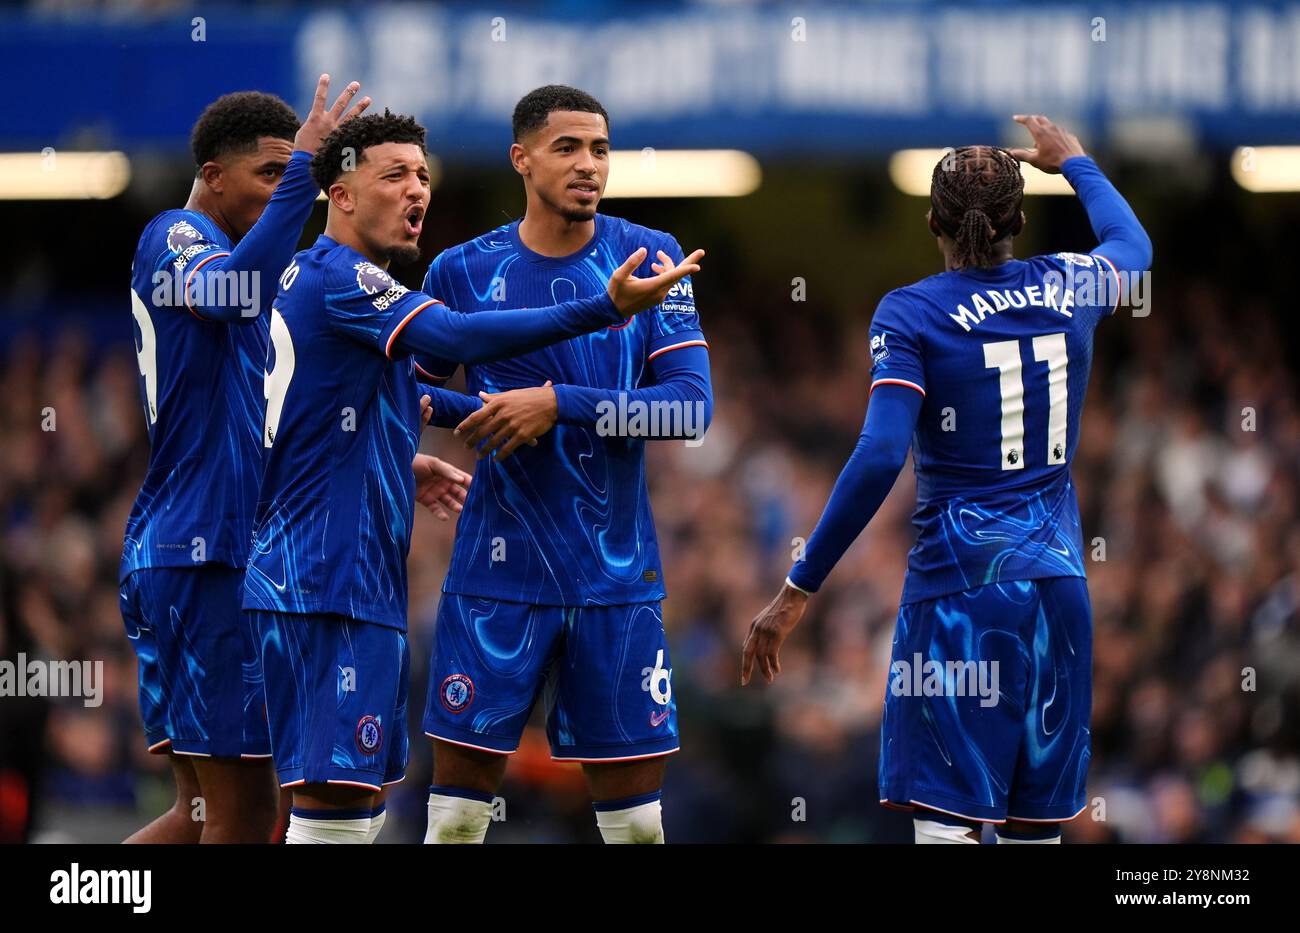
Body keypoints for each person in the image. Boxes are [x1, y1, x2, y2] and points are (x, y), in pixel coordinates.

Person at [243, 109, 703, 844]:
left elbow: (688, 412)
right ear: (522, 159)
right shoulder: (425, 273)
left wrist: (555, 407)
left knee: (343, 813)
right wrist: (599, 313)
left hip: (609, 582)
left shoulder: (651, 253)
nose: (588, 164)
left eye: (601, 149)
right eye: (395, 174)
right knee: (378, 818)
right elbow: (439, 356)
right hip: (400, 581)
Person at [742, 115, 1152, 844]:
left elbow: (878, 455)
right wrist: (1078, 164)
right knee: (1036, 828)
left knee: (949, 824)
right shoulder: (1069, 282)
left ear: (931, 221)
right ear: (1020, 220)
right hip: (1059, 587)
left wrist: (798, 587)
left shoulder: (912, 313)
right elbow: (1134, 248)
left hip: (962, 589)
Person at [121, 77, 369, 843]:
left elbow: (270, 425)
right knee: (247, 812)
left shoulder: (250, 283)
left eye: (290, 176)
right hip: (203, 553)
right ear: (212, 176)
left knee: (199, 812)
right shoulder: (176, 236)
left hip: (210, 551)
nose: (283, 191)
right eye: (270, 174)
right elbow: (229, 290)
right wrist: (306, 169)